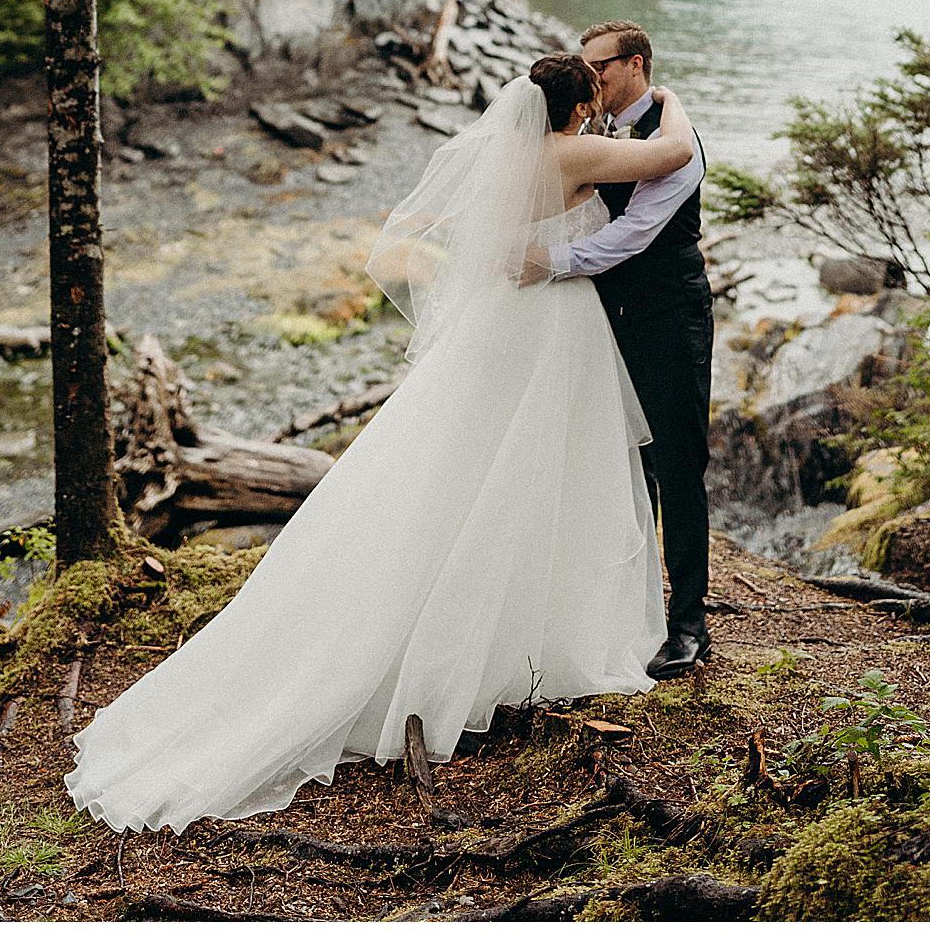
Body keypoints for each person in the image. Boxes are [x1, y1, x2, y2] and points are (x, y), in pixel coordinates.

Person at [64, 56, 700, 833]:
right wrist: (671, 102)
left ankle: (483, 621)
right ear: (579, 107)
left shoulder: (507, 157)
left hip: (499, 324)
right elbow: (670, 156)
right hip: (549, 330)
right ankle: (522, 633)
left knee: (474, 472)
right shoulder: (572, 155)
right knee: (543, 475)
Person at [518, 19, 712, 680]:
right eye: (585, 67)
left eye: (600, 66)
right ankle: (630, 614)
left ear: (634, 65)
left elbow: (633, 235)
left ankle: (689, 624)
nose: (590, 78)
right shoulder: (591, 133)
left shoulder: (675, 144)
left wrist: (550, 260)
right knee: (623, 464)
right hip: (605, 320)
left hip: (668, 315)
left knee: (678, 464)